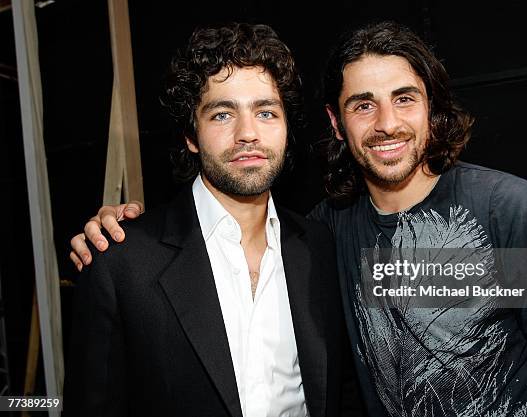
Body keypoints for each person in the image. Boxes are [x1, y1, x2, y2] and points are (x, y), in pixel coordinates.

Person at [69, 21, 527, 417]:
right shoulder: (331, 233)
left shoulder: (514, 208)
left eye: (405, 99)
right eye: (362, 105)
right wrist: (119, 232)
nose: (387, 123)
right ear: (336, 122)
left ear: (432, 107)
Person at [63, 23, 354, 417]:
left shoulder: (320, 246)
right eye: (222, 115)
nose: (247, 133)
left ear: (286, 128)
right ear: (191, 135)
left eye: (266, 112)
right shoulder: (122, 262)